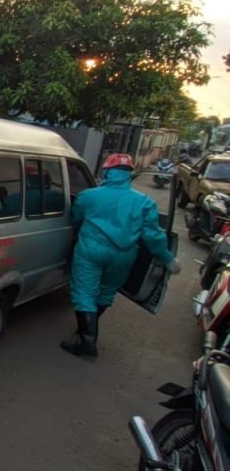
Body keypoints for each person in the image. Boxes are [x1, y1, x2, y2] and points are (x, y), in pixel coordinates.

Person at [60, 153, 181, 358]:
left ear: (106, 171)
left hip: (91, 250)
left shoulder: (88, 196)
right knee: (106, 293)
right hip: (124, 255)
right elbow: (153, 237)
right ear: (129, 174)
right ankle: (85, 333)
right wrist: (167, 259)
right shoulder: (145, 203)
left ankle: (88, 341)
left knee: (84, 293)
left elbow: (76, 220)